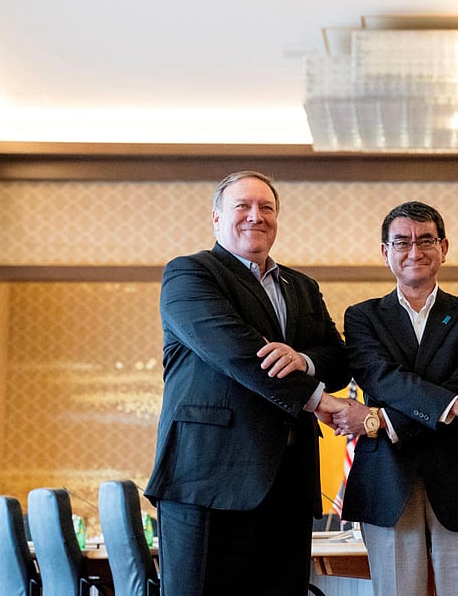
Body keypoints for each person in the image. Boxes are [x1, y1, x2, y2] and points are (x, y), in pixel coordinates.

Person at [144, 170, 351, 595]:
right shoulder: (189, 274)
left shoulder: (302, 287)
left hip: (289, 484)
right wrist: (319, 400)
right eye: (243, 205)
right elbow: (235, 351)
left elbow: (338, 359)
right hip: (207, 481)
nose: (256, 215)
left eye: (266, 207)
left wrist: (304, 360)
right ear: (217, 218)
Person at [333, 201, 458, 596]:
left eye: (426, 240)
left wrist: (379, 420)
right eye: (402, 242)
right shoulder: (362, 316)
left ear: (443, 248)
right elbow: (381, 379)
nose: (414, 251)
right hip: (386, 476)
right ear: (386, 252)